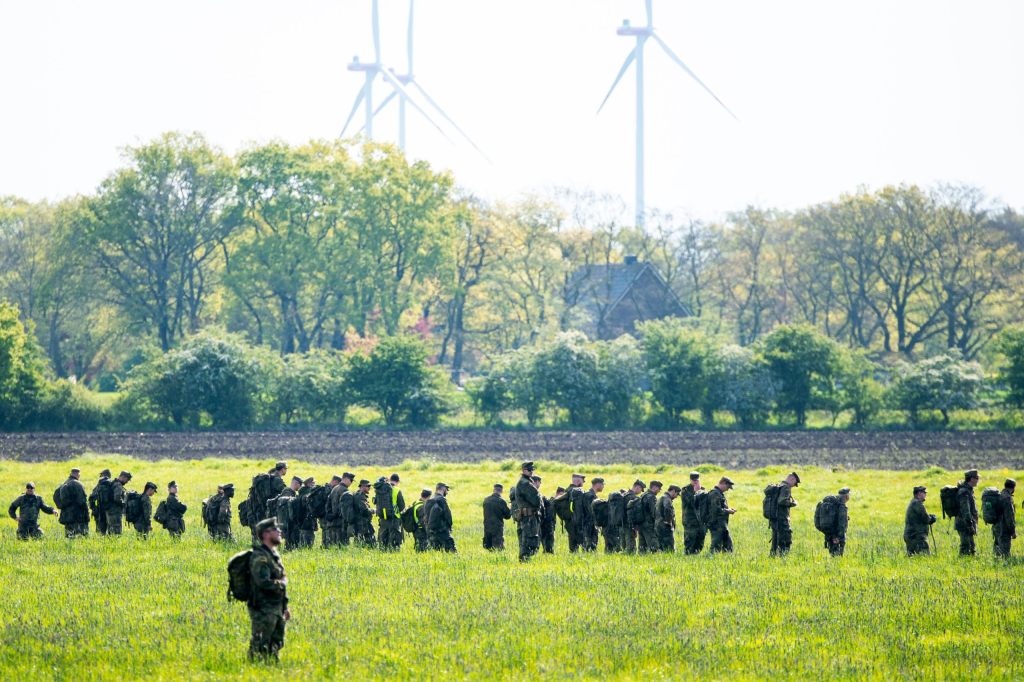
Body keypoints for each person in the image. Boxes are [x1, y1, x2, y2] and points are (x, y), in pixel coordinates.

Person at [247, 517, 290, 662]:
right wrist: (282, 584)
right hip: (263, 608)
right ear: (265, 534)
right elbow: (263, 583)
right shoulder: (260, 558)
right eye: (275, 530)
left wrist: (285, 607)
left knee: (275, 644)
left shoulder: (273, 556)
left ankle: (272, 670)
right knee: (259, 645)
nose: (279, 532)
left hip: (276, 608)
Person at [515, 462, 542, 561]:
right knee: (528, 539)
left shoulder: (526, 482)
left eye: (532, 470)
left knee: (528, 539)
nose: (531, 472)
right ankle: (525, 560)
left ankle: (526, 560)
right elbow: (536, 500)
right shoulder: (525, 483)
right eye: (529, 470)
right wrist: (538, 495)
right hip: (528, 517)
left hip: (528, 516)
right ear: (523, 470)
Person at [770, 472, 800, 556]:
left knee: (775, 540)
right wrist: (793, 503)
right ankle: (783, 558)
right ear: (792, 479)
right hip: (782, 518)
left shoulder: (780, 485)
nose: (794, 485)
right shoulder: (786, 488)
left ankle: (773, 556)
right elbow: (781, 501)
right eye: (795, 483)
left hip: (775, 518)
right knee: (785, 540)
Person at [374, 474, 405, 550]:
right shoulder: (397, 490)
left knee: (383, 537)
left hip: (382, 517)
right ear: (398, 481)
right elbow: (402, 506)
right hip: (394, 518)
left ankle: (383, 551)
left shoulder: (381, 488)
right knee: (394, 538)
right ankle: (394, 552)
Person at [903, 486, 937, 556]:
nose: (925, 494)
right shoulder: (917, 503)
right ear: (918, 493)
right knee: (924, 556)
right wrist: (932, 519)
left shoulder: (913, 502)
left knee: (912, 556)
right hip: (917, 536)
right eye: (924, 493)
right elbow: (926, 518)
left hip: (911, 535)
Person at [56, 467, 90, 538]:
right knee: (80, 538)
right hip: (78, 517)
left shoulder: (64, 484)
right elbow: (82, 502)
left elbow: (57, 498)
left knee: (69, 537)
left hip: (67, 517)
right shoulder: (78, 484)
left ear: (71, 473)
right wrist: (87, 515)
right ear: (78, 474)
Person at [707, 477, 737, 553]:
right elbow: (716, 510)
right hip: (716, 524)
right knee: (716, 546)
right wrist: (728, 511)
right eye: (727, 487)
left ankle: (727, 561)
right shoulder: (715, 494)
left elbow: (720, 508)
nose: (728, 489)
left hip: (721, 524)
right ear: (723, 483)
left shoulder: (719, 493)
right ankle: (711, 560)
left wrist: (728, 509)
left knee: (728, 545)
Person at [680, 472, 707, 555]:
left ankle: (696, 556)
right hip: (690, 520)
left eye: (697, 480)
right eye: (693, 480)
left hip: (701, 521)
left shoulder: (703, 489)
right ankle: (687, 556)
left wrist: (700, 491)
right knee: (690, 540)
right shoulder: (685, 490)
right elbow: (690, 503)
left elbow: (705, 504)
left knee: (700, 540)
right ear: (690, 480)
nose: (695, 482)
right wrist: (696, 492)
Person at [323, 473, 352, 548]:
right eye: (350, 480)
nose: (351, 482)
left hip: (332, 522)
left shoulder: (334, 488)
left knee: (332, 545)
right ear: (345, 479)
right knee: (342, 546)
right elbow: (345, 509)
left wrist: (331, 515)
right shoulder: (344, 490)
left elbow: (327, 505)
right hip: (340, 523)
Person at [955, 470, 980, 556]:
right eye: (977, 478)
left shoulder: (969, 490)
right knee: (965, 546)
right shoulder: (964, 492)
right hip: (964, 523)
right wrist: (970, 525)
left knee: (971, 546)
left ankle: (969, 563)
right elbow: (966, 510)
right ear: (971, 479)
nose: (978, 480)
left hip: (967, 522)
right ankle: (961, 564)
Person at [427, 483, 455, 552]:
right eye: (446, 490)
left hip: (432, 532)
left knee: (437, 552)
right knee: (451, 551)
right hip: (443, 531)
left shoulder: (430, 500)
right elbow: (448, 515)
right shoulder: (441, 500)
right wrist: (450, 527)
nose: (447, 492)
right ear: (443, 489)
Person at [482, 483, 512, 550]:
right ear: (501, 491)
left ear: (493, 490)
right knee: (498, 548)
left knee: (488, 546)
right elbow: (508, 516)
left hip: (486, 525)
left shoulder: (486, 500)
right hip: (497, 527)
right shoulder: (501, 501)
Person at [993, 479, 1016, 558]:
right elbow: (1009, 516)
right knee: (1005, 554)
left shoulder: (999, 495)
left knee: (997, 551)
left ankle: (995, 566)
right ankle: (1004, 567)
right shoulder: (1007, 498)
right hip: (1004, 529)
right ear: (1013, 488)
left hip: (996, 527)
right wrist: (1012, 531)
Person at [824, 488, 851, 556]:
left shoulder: (834, 504)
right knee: (837, 556)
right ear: (846, 496)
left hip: (831, 534)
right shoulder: (841, 506)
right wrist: (838, 537)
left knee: (833, 554)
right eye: (849, 494)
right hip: (837, 536)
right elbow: (841, 524)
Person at [581, 477, 604, 552]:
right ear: (597, 484)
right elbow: (590, 511)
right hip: (589, 524)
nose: (603, 486)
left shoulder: (591, 495)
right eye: (602, 484)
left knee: (592, 545)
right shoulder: (590, 495)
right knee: (588, 545)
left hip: (590, 523)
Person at [106, 471, 133, 536]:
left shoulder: (113, 483)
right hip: (115, 512)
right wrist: (124, 504)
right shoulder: (118, 485)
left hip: (109, 511)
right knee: (116, 532)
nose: (127, 482)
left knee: (111, 530)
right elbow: (117, 498)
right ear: (123, 477)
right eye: (127, 479)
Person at [622, 480, 645, 554]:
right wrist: (634, 527)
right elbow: (632, 513)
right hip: (629, 525)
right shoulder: (633, 497)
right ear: (637, 487)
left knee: (624, 546)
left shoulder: (624, 494)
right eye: (641, 489)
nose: (641, 492)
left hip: (621, 524)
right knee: (631, 548)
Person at [638, 480, 661, 553]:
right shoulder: (651, 497)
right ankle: (655, 562)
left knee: (642, 547)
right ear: (654, 487)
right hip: (649, 525)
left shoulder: (643, 495)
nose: (659, 491)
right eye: (659, 488)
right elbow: (654, 512)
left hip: (641, 523)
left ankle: (641, 560)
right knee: (654, 546)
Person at [566, 473, 587, 552]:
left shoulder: (568, 490)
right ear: (578, 481)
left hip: (570, 521)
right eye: (582, 482)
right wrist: (580, 523)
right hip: (576, 521)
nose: (583, 484)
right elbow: (578, 509)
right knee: (581, 544)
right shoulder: (577, 492)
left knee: (573, 544)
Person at [352, 479, 376, 546]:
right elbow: (365, 511)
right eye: (368, 486)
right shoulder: (360, 496)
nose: (369, 488)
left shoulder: (358, 495)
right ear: (362, 486)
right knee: (371, 544)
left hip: (360, 524)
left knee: (359, 542)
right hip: (363, 524)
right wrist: (374, 510)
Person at [656, 485, 680, 552]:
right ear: (673, 491)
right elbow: (667, 509)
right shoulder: (667, 499)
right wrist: (668, 521)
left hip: (658, 525)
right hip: (665, 526)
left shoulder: (661, 498)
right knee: (669, 548)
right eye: (677, 494)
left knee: (661, 547)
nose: (676, 496)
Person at [89, 469, 112, 535]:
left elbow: (91, 498)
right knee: (112, 532)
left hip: (100, 511)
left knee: (100, 532)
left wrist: (94, 509)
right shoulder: (113, 484)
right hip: (110, 511)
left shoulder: (100, 485)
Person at [603, 488, 626, 553]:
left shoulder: (609, 503)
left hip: (606, 527)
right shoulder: (618, 504)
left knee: (608, 547)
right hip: (613, 527)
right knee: (617, 547)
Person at [539, 480, 558, 554]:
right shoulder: (552, 503)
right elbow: (550, 516)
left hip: (542, 524)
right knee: (549, 541)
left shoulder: (549, 501)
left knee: (544, 540)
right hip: (548, 525)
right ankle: (548, 553)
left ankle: (546, 552)